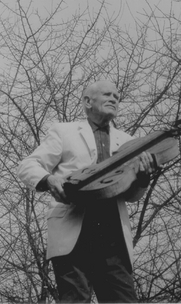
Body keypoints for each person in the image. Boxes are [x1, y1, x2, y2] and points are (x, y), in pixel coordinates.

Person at [17, 80, 154, 303]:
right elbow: (27, 166)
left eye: (117, 97)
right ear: (88, 102)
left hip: (113, 239)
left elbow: (131, 196)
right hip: (74, 233)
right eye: (107, 94)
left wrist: (143, 178)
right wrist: (49, 179)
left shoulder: (130, 143)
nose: (114, 99)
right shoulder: (64, 131)